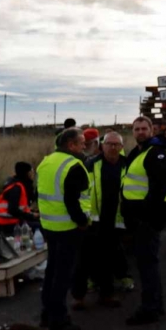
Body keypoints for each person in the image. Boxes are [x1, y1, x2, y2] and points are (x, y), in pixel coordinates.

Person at [37, 127, 91, 330]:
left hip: (49, 226)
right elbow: (72, 200)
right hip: (68, 227)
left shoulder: (46, 161)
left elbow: (40, 193)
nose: (84, 146)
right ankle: (58, 320)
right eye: (82, 142)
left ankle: (46, 313)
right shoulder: (74, 165)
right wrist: (82, 222)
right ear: (71, 144)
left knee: (52, 271)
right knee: (62, 275)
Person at [122, 116, 166, 325]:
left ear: (152, 130)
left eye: (144, 128)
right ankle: (156, 305)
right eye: (136, 129)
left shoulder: (157, 153)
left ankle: (149, 309)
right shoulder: (138, 152)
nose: (140, 132)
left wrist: (146, 218)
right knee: (147, 264)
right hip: (138, 220)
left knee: (147, 265)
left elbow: (158, 190)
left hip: (147, 221)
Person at [73, 132, 127, 309]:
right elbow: (81, 193)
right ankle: (78, 298)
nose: (112, 147)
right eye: (109, 144)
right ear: (101, 146)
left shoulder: (127, 165)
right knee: (84, 260)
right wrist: (83, 216)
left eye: (116, 144)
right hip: (93, 221)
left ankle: (107, 295)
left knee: (108, 259)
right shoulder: (90, 164)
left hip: (115, 221)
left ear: (121, 147)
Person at [0, 162, 39, 234]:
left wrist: (32, 213)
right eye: (31, 172)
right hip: (10, 222)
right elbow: (13, 210)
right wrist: (32, 215)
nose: (32, 174)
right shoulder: (16, 188)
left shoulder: (17, 184)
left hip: (11, 220)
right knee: (41, 227)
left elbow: (21, 208)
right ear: (27, 173)